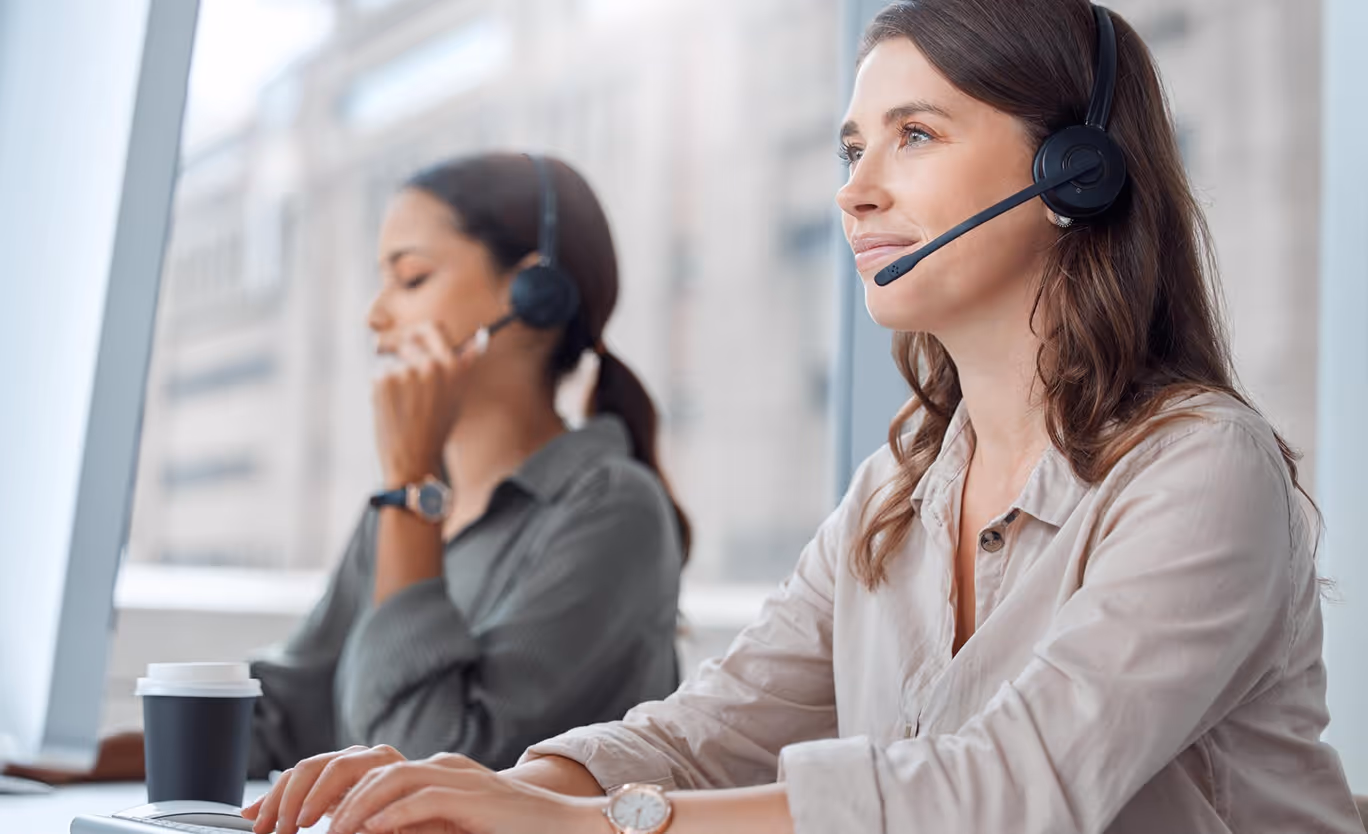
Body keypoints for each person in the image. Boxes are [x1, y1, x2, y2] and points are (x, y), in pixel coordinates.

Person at [241, 2, 1364, 833]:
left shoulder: (1201, 470)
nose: (854, 189)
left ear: (1075, 174)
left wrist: (597, 825)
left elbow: (1007, 790)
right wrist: (498, 796)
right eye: (850, 147)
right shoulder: (897, 490)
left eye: (913, 137)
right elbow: (704, 731)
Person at [7, 152, 689, 793]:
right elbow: (282, 717)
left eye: (412, 278)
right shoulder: (408, 505)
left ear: (535, 294)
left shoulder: (612, 509)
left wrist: (410, 484)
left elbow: (421, 768)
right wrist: (49, 763)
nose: (377, 315)